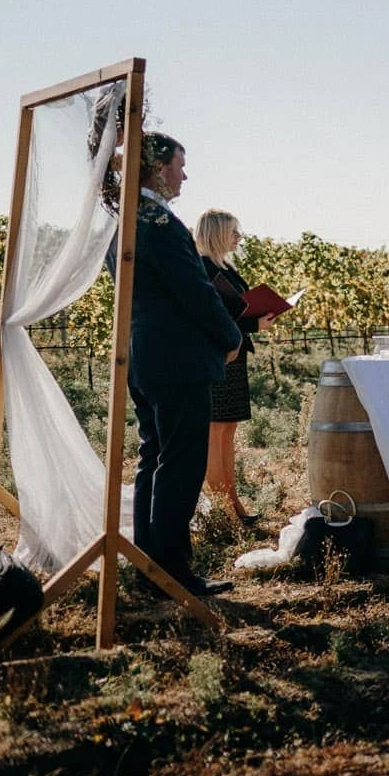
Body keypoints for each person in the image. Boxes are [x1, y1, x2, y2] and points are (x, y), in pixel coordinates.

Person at [123, 133, 243, 597]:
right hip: (178, 361)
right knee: (180, 464)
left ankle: (147, 566)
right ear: (157, 167)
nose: (184, 175)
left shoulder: (126, 222)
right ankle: (173, 570)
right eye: (179, 165)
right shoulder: (160, 223)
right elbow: (196, 291)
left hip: (143, 357)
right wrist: (230, 336)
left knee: (153, 457)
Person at [195, 209, 273, 525]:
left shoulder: (223, 266)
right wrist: (254, 324)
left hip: (234, 353)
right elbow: (211, 316)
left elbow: (234, 311)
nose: (239, 237)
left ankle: (233, 502)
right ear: (216, 234)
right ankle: (224, 507)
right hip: (218, 356)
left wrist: (255, 321)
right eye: (233, 231)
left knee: (228, 430)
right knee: (216, 431)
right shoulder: (202, 268)